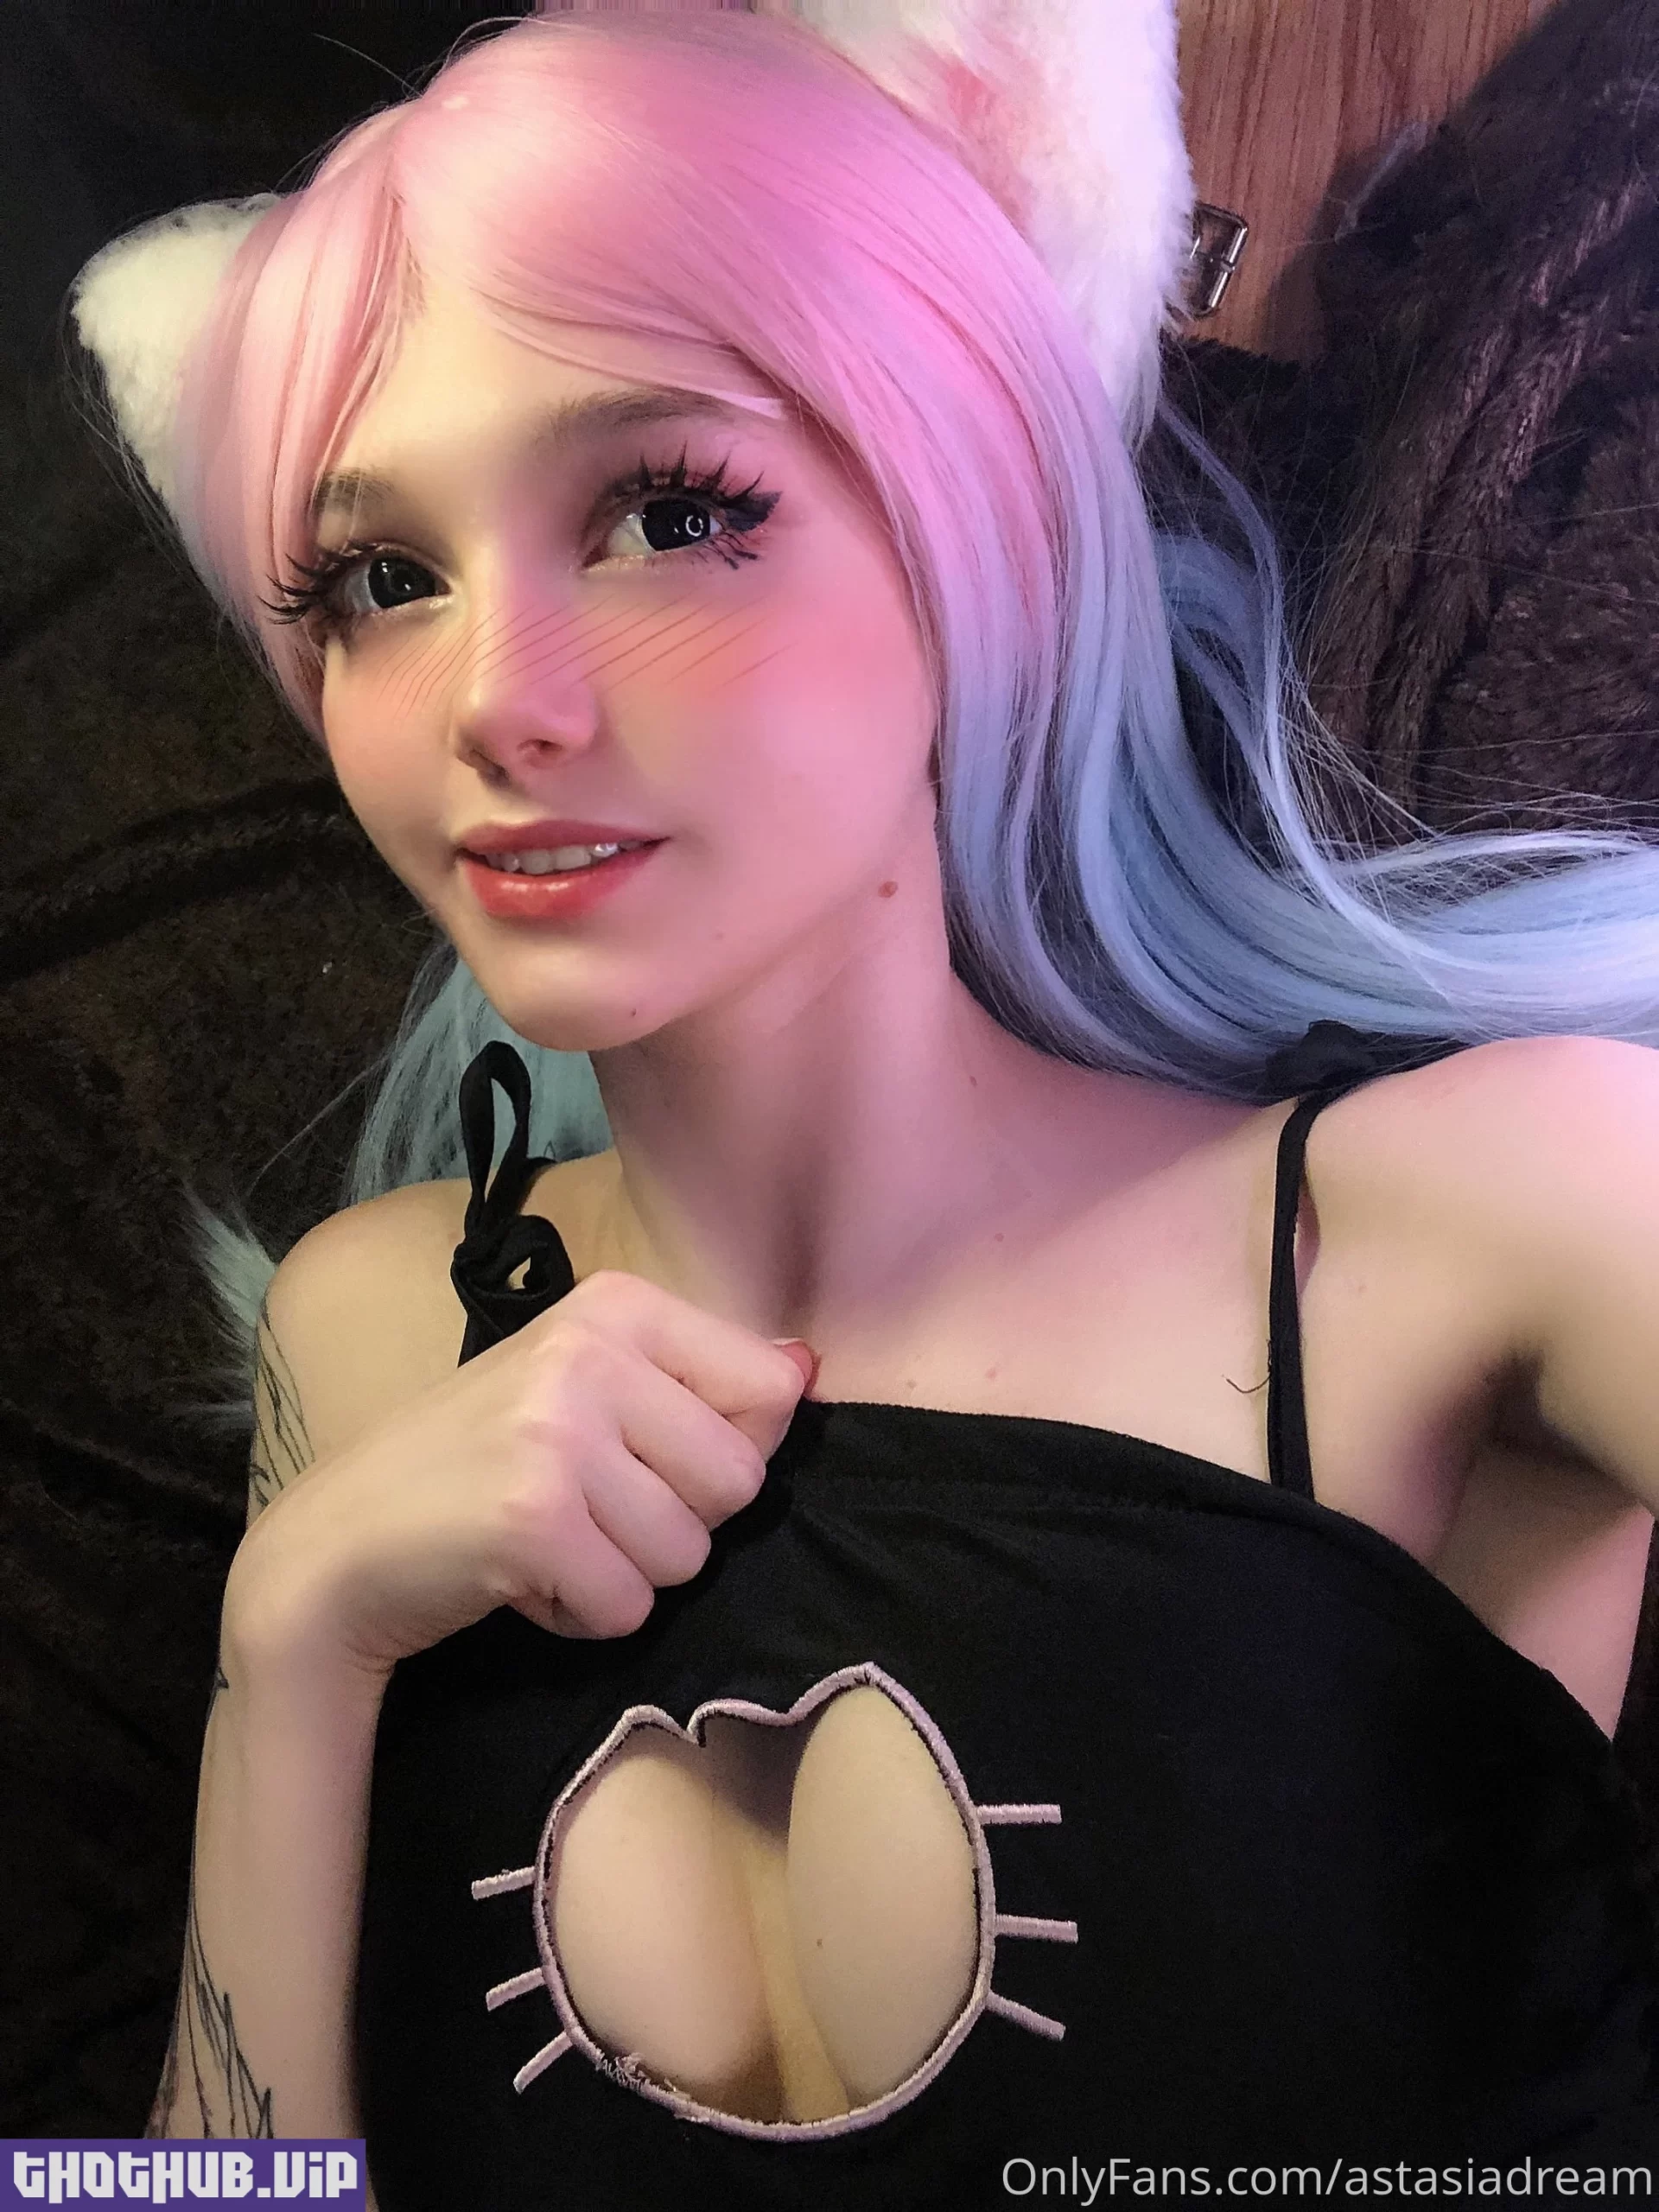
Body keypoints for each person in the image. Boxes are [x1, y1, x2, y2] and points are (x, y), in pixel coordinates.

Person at [67, 1, 1659, 2196]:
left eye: (672, 510)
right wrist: (292, 1639)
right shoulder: (364, 1327)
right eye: (382, 580)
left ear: (965, 514)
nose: (498, 704)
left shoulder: (1483, 1224)